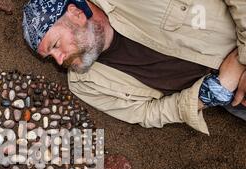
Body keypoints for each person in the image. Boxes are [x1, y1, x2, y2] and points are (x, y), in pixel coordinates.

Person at [22, 0, 246, 134]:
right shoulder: (84, 84)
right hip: (235, 97)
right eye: (51, 58)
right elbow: (148, 113)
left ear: (76, 13)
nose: (60, 60)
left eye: (55, 45)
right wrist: (215, 90)